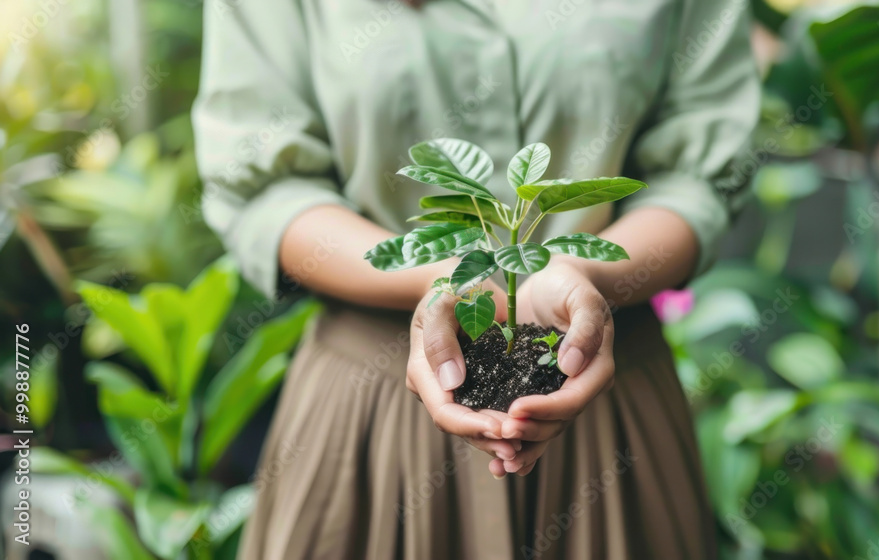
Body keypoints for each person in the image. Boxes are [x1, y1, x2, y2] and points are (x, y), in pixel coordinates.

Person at [193, 0, 759, 558]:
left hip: (606, 418)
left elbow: (697, 181)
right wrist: (439, 277)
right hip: (371, 423)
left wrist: (577, 273)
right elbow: (266, 190)